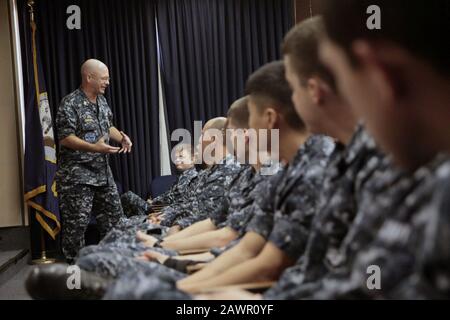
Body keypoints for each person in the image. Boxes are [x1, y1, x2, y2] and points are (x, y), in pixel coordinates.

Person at [56, 59, 132, 262]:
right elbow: (65, 138)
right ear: (89, 77)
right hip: (77, 178)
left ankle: (113, 266)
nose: (107, 82)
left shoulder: (102, 101)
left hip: (102, 176)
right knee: (76, 230)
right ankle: (76, 278)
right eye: (104, 78)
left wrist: (121, 137)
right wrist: (94, 148)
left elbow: (108, 126)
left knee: (116, 222)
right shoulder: (70, 103)